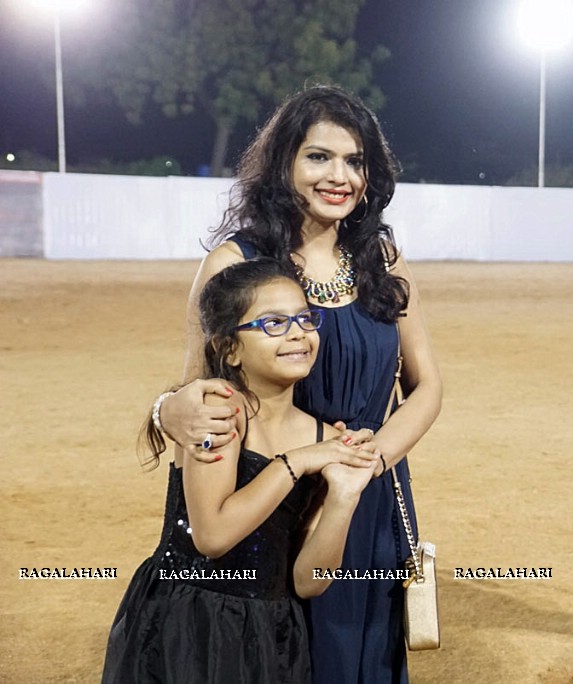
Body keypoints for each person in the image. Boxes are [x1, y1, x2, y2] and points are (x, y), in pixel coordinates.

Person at [154, 84, 442, 683]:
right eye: (319, 157)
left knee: (361, 654)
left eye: (355, 160)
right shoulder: (235, 263)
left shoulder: (383, 258)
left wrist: (365, 465)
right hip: (273, 511)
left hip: (364, 495)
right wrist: (165, 410)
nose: (340, 176)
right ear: (284, 162)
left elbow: (427, 387)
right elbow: (197, 394)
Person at [103, 258, 379, 682]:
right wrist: (296, 461)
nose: (297, 335)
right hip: (188, 623)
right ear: (229, 347)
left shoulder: (322, 435)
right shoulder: (217, 410)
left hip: (272, 634)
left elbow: (309, 582)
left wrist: (343, 495)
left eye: (305, 319)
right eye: (273, 324)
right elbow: (212, 535)